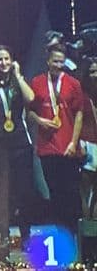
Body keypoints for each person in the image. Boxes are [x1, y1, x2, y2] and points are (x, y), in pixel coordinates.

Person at [28, 45, 84, 233]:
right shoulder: (37, 82)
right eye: (55, 61)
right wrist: (40, 120)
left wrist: (73, 142)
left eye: (61, 62)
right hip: (47, 147)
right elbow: (29, 111)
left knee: (70, 192)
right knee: (54, 191)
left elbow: (79, 114)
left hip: (68, 147)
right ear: (48, 61)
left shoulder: (73, 84)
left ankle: (74, 232)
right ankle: (61, 232)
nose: (58, 65)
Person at [0, 46, 34, 249]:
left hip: (21, 143)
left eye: (6, 58)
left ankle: (25, 235)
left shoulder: (18, 81)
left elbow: (31, 98)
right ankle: (4, 234)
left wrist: (19, 74)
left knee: (23, 191)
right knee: (2, 192)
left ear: (12, 60)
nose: (3, 63)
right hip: (0, 143)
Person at [79, 60, 97, 219]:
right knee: (86, 188)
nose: (95, 75)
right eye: (92, 71)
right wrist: (80, 144)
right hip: (87, 144)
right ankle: (85, 226)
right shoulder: (82, 96)